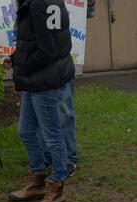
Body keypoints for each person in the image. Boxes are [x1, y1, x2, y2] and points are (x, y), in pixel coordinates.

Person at [4, 0, 75, 202]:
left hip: (44, 80)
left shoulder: (36, 4)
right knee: (26, 131)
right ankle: (37, 180)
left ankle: (56, 188)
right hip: (39, 78)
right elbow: (34, 42)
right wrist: (14, 57)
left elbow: (47, 50)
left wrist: (21, 68)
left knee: (53, 136)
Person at [41, 0, 97, 177]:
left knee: (63, 108)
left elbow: (86, 13)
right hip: (36, 56)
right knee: (40, 109)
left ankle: (68, 159)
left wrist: (91, 3)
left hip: (61, 58)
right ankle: (48, 155)